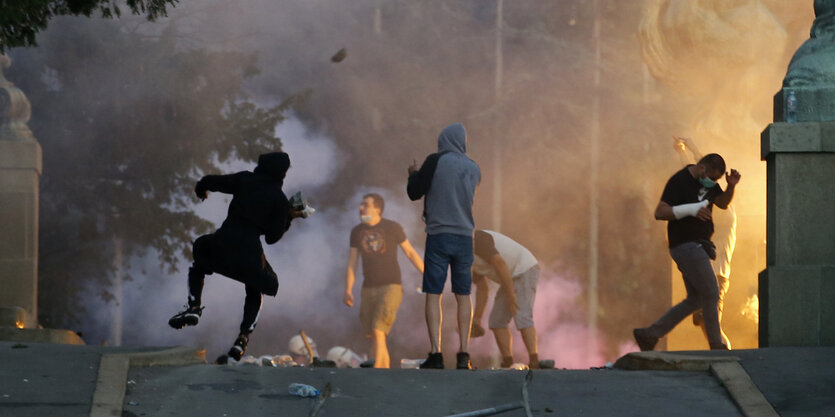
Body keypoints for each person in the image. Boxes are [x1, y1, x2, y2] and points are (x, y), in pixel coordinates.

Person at [167, 152, 305, 364]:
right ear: (282, 173)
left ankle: (194, 307)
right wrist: (289, 217)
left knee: (199, 266)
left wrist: (201, 187)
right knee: (256, 287)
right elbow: (272, 238)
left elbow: (215, 181)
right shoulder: (279, 200)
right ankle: (243, 337)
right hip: (249, 253)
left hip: (223, 242)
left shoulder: (245, 179)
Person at [634, 153, 740, 351]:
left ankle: (649, 335)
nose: (713, 183)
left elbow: (722, 203)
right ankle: (717, 345)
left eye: (717, 180)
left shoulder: (708, 183)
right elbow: (660, 212)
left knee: (696, 299)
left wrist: (731, 186)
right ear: (702, 169)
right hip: (686, 245)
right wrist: (691, 210)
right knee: (711, 292)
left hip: (698, 246)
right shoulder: (679, 181)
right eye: (712, 178)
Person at [407, 122, 481, 370]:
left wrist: (413, 174)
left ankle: (436, 354)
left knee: (434, 293)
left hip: (439, 235)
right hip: (464, 238)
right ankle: (464, 354)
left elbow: (414, 192)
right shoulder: (474, 168)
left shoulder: (435, 161)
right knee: (464, 296)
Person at [344, 193, 425, 369]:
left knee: (378, 329)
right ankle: (383, 372)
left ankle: (376, 372)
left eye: (366, 204)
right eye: (361, 204)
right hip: (368, 288)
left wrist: (426, 274)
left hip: (391, 286)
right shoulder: (357, 231)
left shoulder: (392, 227)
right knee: (376, 335)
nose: (361, 208)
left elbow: (410, 252)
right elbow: (352, 262)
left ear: (377, 209)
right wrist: (348, 289)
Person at [674, 137, 736, 349]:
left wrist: (687, 148)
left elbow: (701, 174)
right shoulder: (718, 210)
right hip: (710, 272)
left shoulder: (724, 213)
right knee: (707, 323)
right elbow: (701, 173)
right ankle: (722, 351)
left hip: (715, 274)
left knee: (711, 325)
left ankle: (726, 355)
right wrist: (687, 149)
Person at [471, 229, 541, 369]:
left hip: (524, 267)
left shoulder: (478, 239)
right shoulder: (465, 258)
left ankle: (534, 361)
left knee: (521, 314)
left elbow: (500, 263)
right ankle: (508, 362)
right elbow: (483, 288)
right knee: (496, 320)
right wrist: (477, 319)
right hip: (509, 276)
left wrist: (511, 294)